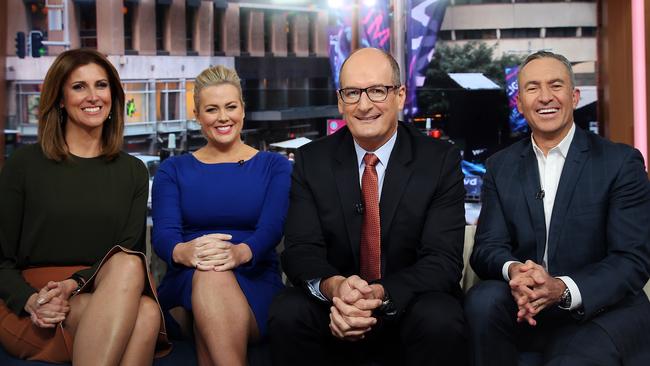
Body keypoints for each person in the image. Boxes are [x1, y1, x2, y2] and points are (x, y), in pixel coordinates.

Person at [268, 47, 467, 366]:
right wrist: (336, 288)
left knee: (441, 317)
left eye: (377, 91)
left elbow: (442, 260)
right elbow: (300, 250)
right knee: (287, 311)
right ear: (339, 100)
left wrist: (379, 294)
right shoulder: (311, 161)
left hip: (408, 305)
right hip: (336, 308)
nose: (363, 105)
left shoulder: (439, 160)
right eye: (352, 93)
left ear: (400, 95)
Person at [466, 50, 650, 366]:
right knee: (482, 302)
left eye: (556, 85)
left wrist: (562, 288)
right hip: (525, 303)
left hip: (601, 308)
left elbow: (632, 259)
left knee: (572, 357)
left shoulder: (620, 162)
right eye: (532, 88)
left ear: (575, 96)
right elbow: (487, 248)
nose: (545, 97)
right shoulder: (500, 166)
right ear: (520, 103)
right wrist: (517, 272)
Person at [0, 48, 170, 364]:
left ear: (113, 96)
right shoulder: (24, 164)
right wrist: (31, 300)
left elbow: (130, 251)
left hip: (104, 288)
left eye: (101, 85)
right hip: (35, 298)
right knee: (144, 314)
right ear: (60, 98)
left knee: (130, 267)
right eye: (79, 86)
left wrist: (74, 283)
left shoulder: (133, 170)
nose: (93, 96)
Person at [152, 65, 291, 366]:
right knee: (209, 274)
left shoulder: (275, 166)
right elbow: (163, 234)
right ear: (197, 115)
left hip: (254, 278)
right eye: (212, 109)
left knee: (212, 278)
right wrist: (185, 251)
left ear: (243, 108)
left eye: (231, 106)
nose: (223, 117)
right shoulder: (172, 170)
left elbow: (273, 227)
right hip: (185, 282)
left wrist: (240, 252)